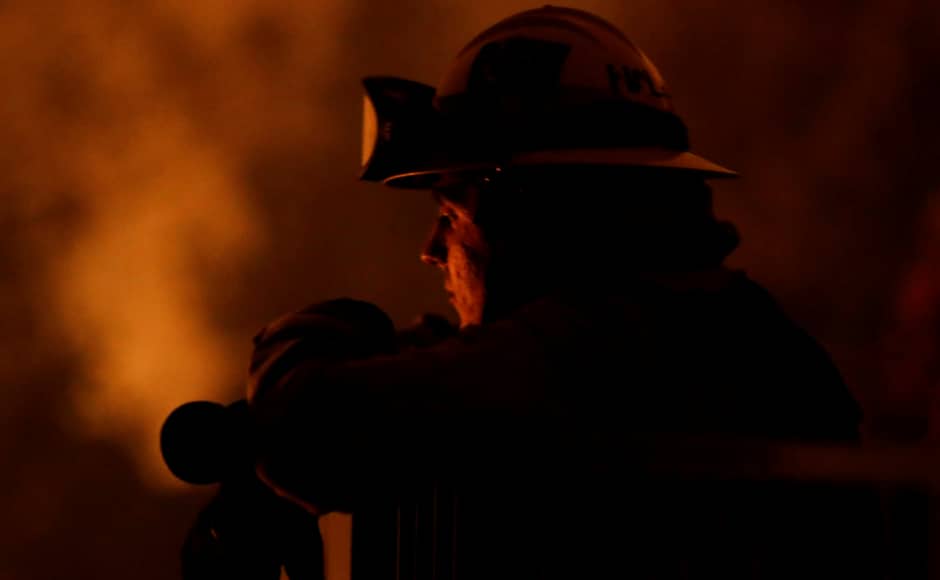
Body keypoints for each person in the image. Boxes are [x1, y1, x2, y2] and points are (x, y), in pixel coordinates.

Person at [242, 6, 877, 579]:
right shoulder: (739, 336)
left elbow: (307, 430)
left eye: (453, 213)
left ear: (533, 218)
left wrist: (335, 332)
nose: (432, 249)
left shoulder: (591, 349)